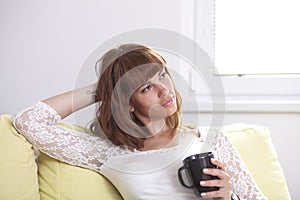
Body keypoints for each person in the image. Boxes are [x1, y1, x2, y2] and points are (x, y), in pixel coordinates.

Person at [13, 43, 266, 200]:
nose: (164, 90)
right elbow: (29, 121)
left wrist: (228, 196)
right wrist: (105, 87)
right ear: (128, 103)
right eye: (146, 87)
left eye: (163, 75)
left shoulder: (209, 139)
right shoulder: (108, 153)